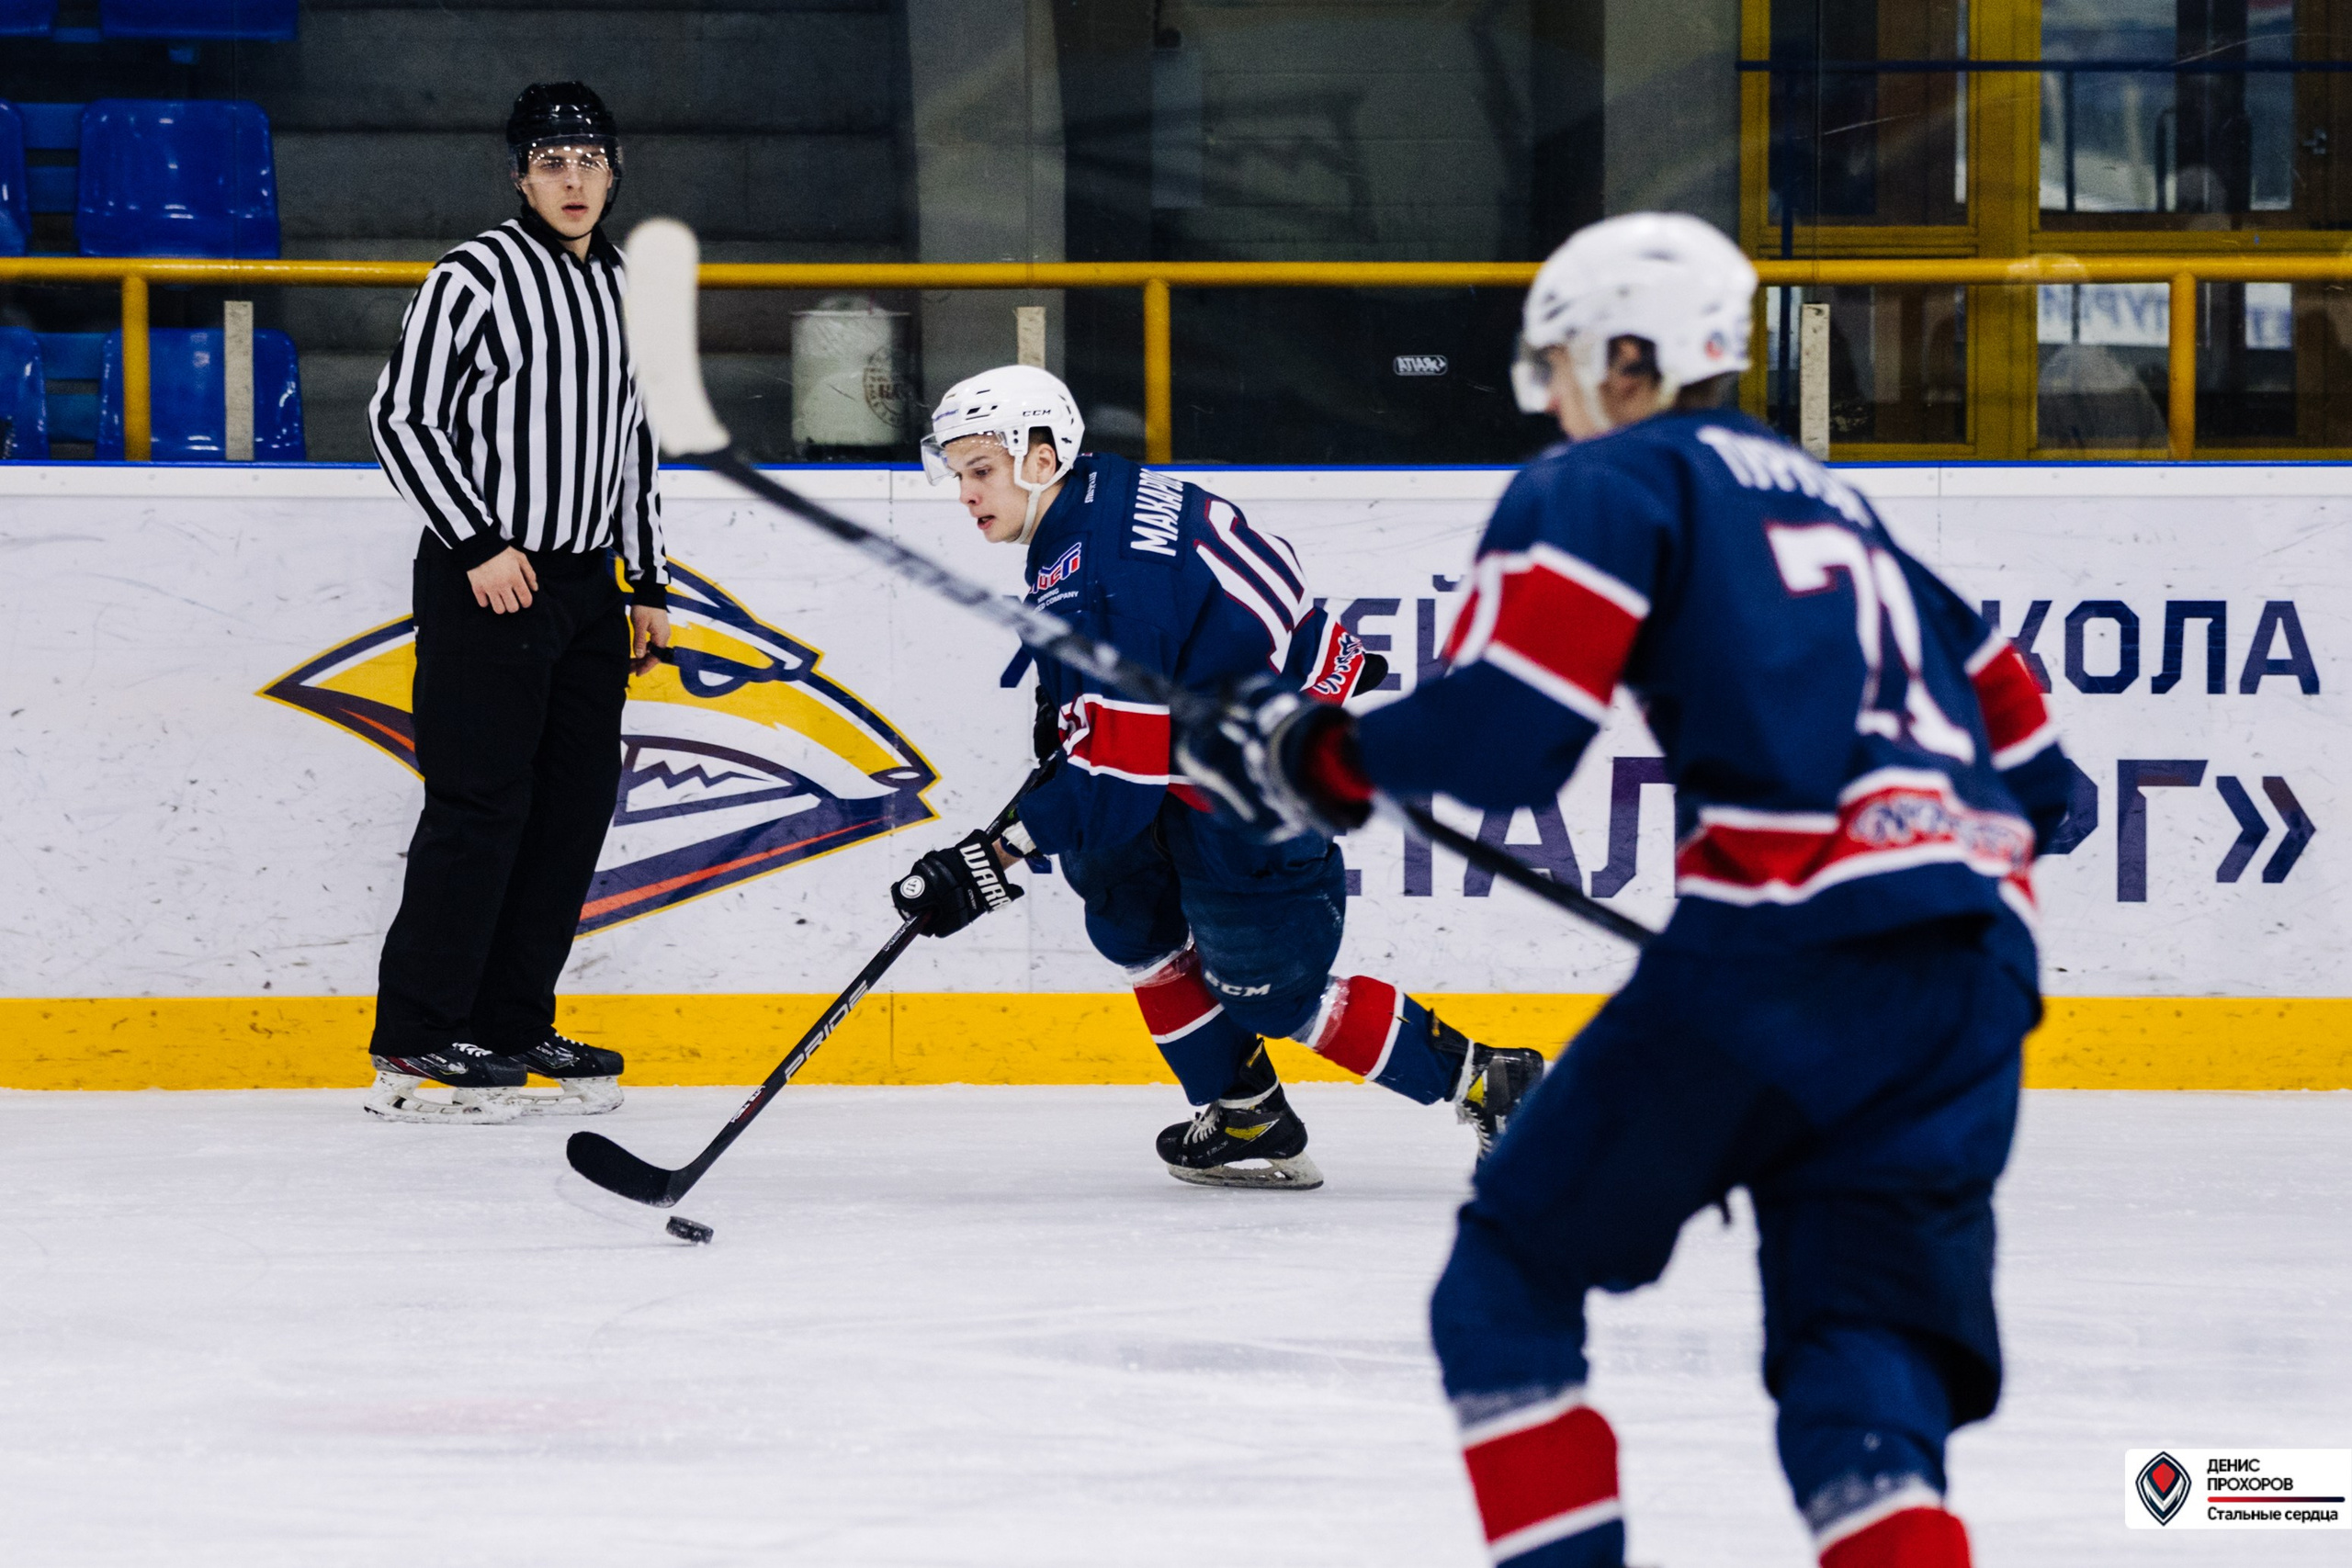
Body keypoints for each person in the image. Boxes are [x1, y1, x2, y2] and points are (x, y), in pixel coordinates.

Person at [1175, 213, 2074, 1566]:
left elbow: (1509, 736)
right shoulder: (1842, 505)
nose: (1554, 401)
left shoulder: (1607, 480)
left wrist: (1313, 756)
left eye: (1563, 366)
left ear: (1631, 358)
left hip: (1780, 957)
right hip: (1974, 976)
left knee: (1506, 1286)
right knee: (1862, 1374)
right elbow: (2047, 778)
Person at [885, 365, 1547, 1188]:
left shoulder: (1102, 583)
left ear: (1042, 458)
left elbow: (1114, 785)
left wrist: (990, 860)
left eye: (981, 469)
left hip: (1250, 790)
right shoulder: (1100, 494)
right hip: (1191, 751)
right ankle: (1246, 1113)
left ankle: (1487, 1078)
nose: (965, 493)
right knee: (1126, 909)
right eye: (958, 472)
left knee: (1275, 994)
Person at [360, 81, 672, 1123]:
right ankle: (415, 1036)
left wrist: (647, 581)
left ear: (614, 173)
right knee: (479, 806)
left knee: (569, 812)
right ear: (519, 177)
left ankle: (507, 1021)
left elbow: (634, 445)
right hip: (488, 579)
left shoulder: (625, 285)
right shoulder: (474, 276)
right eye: (551, 162)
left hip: (586, 590)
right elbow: (401, 417)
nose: (572, 179)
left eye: (588, 161)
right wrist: (477, 541)